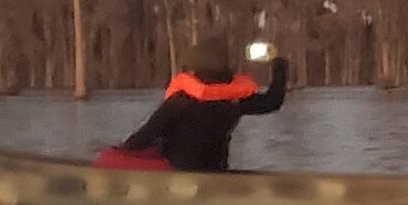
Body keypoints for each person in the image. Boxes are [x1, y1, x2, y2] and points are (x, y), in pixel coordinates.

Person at [117, 38, 290, 172]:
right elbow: (272, 101)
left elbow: (146, 136)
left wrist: (122, 149)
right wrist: (279, 66)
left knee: (113, 157)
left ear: (195, 68)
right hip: (216, 168)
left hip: (180, 171)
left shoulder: (181, 100)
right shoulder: (235, 99)